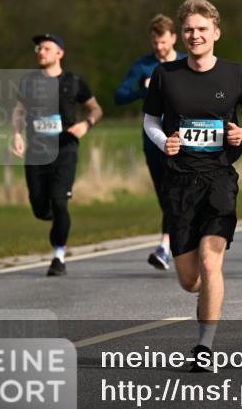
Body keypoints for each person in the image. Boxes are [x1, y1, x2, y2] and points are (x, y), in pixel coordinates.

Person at [142, 0, 242, 370]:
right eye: (188, 30)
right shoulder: (167, 75)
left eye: (201, 29)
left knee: (212, 263)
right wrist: (164, 141)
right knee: (190, 280)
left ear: (216, 32)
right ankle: (203, 298)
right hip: (179, 182)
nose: (195, 35)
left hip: (219, 180)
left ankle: (205, 347)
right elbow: (150, 120)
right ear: (183, 35)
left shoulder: (237, 74)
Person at [11, 34, 103, 277]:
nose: (41, 52)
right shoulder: (29, 82)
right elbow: (19, 111)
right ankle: (56, 217)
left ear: (59, 53)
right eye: (39, 48)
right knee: (41, 208)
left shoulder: (74, 82)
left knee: (60, 201)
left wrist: (87, 124)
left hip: (65, 149)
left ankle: (58, 256)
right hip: (36, 151)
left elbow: (96, 108)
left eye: (47, 48)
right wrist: (17, 135)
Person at [114, 14, 186, 270]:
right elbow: (119, 96)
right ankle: (174, 243)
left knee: (178, 192)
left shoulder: (184, 63)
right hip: (153, 140)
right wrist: (142, 89)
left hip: (184, 139)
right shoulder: (143, 65)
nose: (159, 47)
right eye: (155, 42)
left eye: (163, 42)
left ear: (173, 38)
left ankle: (166, 247)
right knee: (166, 195)